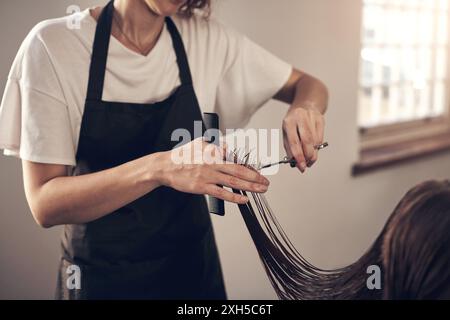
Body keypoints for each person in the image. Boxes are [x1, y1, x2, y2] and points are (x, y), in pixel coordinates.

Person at [0, 0, 328, 299]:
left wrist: (305, 109)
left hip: (193, 275)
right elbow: (45, 203)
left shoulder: (207, 39)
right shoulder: (53, 45)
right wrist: (161, 169)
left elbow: (309, 85)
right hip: (101, 281)